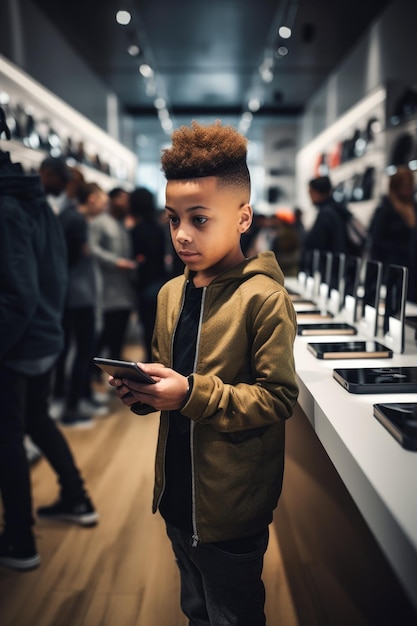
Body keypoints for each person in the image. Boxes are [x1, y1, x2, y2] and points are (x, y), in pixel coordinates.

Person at [109, 121, 299, 625]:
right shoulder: (170, 294)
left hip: (231, 509)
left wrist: (190, 393)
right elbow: (169, 380)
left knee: (233, 614)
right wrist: (144, 391)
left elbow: (279, 398)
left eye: (199, 219)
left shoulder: (264, 298)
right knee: (195, 610)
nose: (182, 235)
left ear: (243, 218)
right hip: (176, 497)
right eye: (173, 219)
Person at [0, 149, 98, 572]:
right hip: (41, 336)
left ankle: (20, 539)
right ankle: (76, 497)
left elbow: (18, 293)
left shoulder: (9, 206)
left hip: (17, 344)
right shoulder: (35, 201)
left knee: (8, 438)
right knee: (36, 421)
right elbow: (50, 278)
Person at [52, 176, 107, 427]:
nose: (103, 207)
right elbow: (72, 258)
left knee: (82, 349)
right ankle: (72, 407)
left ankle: (79, 398)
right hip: (78, 296)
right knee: (83, 350)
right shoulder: (74, 220)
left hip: (75, 294)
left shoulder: (72, 217)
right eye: (102, 201)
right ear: (93, 199)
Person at [89, 184, 137, 363]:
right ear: (113, 199)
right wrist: (116, 262)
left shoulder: (123, 223)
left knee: (119, 332)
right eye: (122, 198)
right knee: (105, 333)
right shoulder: (99, 222)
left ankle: (116, 369)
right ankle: (93, 371)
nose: (126, 203)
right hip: (106, 288)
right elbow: (93, 249)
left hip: (124, 289)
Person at [129, 186, 168, 360]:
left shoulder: (138, 230)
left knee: (148, 328)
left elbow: (138, 259)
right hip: (160, 281)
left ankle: (149, 367)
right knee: (158, 330)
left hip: (146, 284)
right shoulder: (159, 227)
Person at [369, 166, 417, 302]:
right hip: (393, 267)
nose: (408, 188)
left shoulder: (414, 207)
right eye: (404, 185)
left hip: (412, 267)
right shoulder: (386, 209)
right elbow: (377, 241)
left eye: (409, 184)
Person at [303, 175, 349, 261]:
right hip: (338, 263)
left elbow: (316, 242)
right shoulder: (337, 209)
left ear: (317, 192)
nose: (310, 196)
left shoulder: (326, 213)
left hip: (331, 265)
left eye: (311, 192)